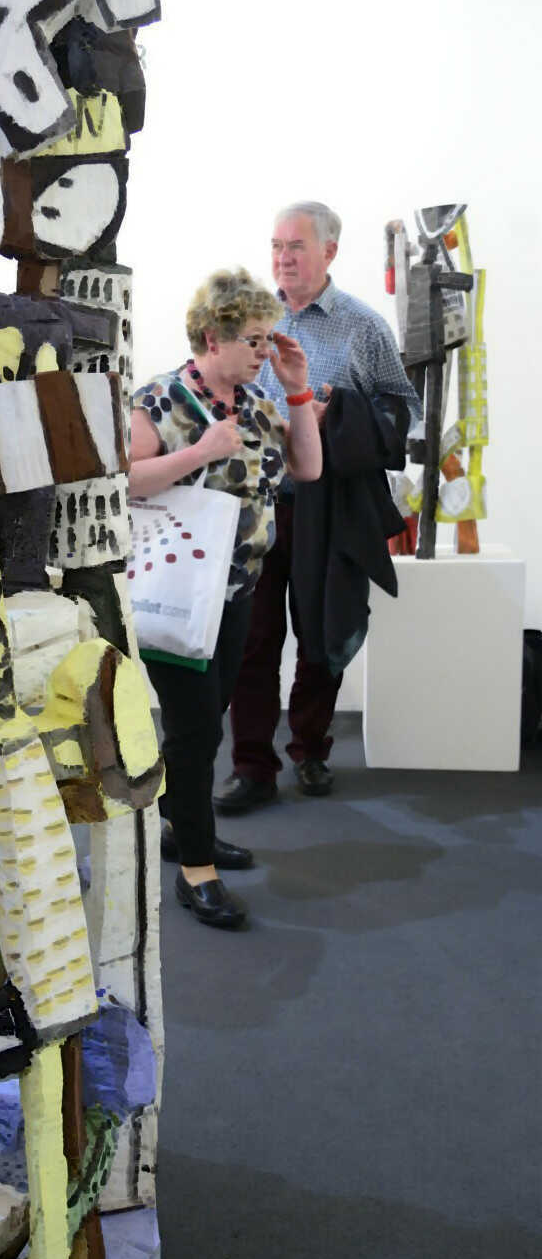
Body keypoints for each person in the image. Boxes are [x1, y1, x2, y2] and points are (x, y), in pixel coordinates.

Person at [129, 268, 322, 930]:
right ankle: (196, 870)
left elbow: (308, 467)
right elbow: (123, 480)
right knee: (193, 730)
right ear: (213, 337)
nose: (263, 351)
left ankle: (183, 828)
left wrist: (297, 391)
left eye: (268, 339)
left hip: (237, 591)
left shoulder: (258, 402)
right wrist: (201, 451)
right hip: (179, 593)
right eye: (253, 340)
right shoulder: (160, 399)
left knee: (207, 721)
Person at [216, 202, 422, 812]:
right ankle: (252, 766)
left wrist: (340, 416)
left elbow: (406, 412)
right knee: (252, 639)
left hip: (325, 505)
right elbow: (219, 388)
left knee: (319, 632)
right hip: (254, 501)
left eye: (296, 246)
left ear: (329, 252)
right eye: (276, 245)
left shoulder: (363, 326)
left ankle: (310, 750)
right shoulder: (250, 319)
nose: (283, 257)